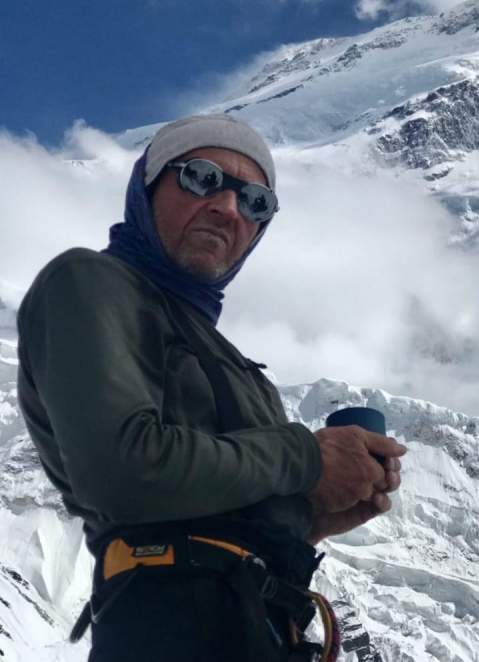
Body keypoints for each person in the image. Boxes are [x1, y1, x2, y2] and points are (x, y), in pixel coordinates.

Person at [16, 114, 406, 662]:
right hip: (168, 624)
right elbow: (123, 472)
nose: (228, 208)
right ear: (146, 188)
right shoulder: (90, 282)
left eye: (256, 203)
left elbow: (215, 505)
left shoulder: (230, 359)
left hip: (254, 628)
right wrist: (306, 457)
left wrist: (310, 518)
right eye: (202, 178)